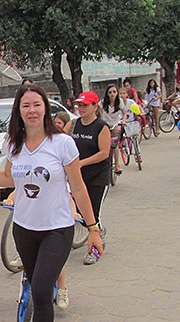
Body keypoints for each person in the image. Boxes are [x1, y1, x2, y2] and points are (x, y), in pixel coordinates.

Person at [0, 84, 103, 322]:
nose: (32, 110)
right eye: (26, 105)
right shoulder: (14, 145)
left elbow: (78, 188)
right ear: (19, 111)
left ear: (45, 108)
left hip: (57, 229)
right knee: (37, 289)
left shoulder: (62, 143)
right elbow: (8, 180)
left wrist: (93, 229)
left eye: (37, 104)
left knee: (44, 290)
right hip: (24, 230)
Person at [64, 91, 110, 266]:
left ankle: (94, 249)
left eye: (85, 105)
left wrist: (81, 163)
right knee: (78, 212)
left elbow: (104, 153)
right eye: (79, 105)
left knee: (93, 212)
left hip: (97, 177)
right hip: (77, 178)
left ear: (94, 106)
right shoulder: (73, 125)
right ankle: (98, 229)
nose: (80, 108)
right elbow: (58, 138)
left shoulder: (101, 126)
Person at [100, 84, 126, 175]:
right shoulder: (102, 103)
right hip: (105, 123)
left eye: (114, 92)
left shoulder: (120, 102)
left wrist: (123, 120)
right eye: (110, 92)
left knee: (115, 143)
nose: (112, 94)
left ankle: (117, 165)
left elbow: (124, 113)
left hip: (115, 123)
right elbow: (97, 111)